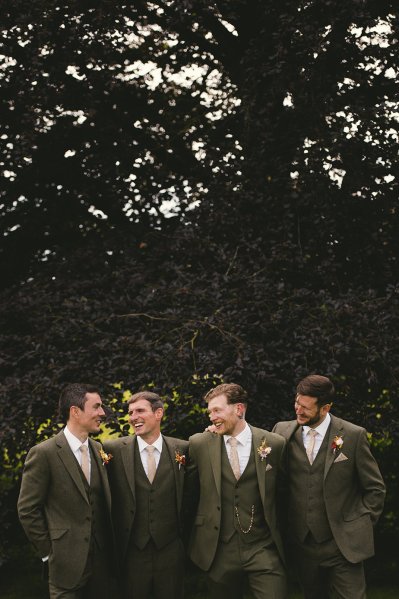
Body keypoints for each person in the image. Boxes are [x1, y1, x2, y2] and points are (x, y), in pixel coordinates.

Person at [273, 374, 386, 599]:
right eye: (296, 403)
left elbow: (375, 488)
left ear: (325, 408)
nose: (298, 410)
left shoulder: (353, 435)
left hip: (342, 545)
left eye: (305, 407)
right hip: (302, 544)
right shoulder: (282, 432)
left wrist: (358, 525)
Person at [187, 383, 287, 599]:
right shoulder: (199, 444)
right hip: (218, 549)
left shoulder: (274, 444)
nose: (211, 417)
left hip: (262, 547)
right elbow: (189, 495)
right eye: (210, 412)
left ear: (238, 409)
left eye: (217, 410)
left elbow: (284, 493)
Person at [17, 383, 115, 599]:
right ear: (75, 411)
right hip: (64, 565)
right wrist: (48, 552)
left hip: (102, 567)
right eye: (96, 407)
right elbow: (27, 509)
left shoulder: (99, 449)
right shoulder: (44, 453)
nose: (102, 413)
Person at [103, 391, 188, 599]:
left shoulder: (183, 449)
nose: (133, 417)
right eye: (130, 413)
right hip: (132, 551)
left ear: (158, 413)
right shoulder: (112, 449)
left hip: (171, 551)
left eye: (140, 410)